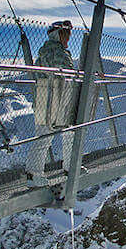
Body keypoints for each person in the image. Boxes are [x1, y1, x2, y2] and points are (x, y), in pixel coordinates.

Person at [26, 20, 77, 187]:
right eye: (65, 34)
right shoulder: (53, 51)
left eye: (69, 34)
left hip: (53, 95)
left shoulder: (55, 50)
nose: (68, 38)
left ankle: (68, 166)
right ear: (57, 34)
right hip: (49, 96)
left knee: (66, 131)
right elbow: (64, 74)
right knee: (45, 136)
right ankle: (34, 174)